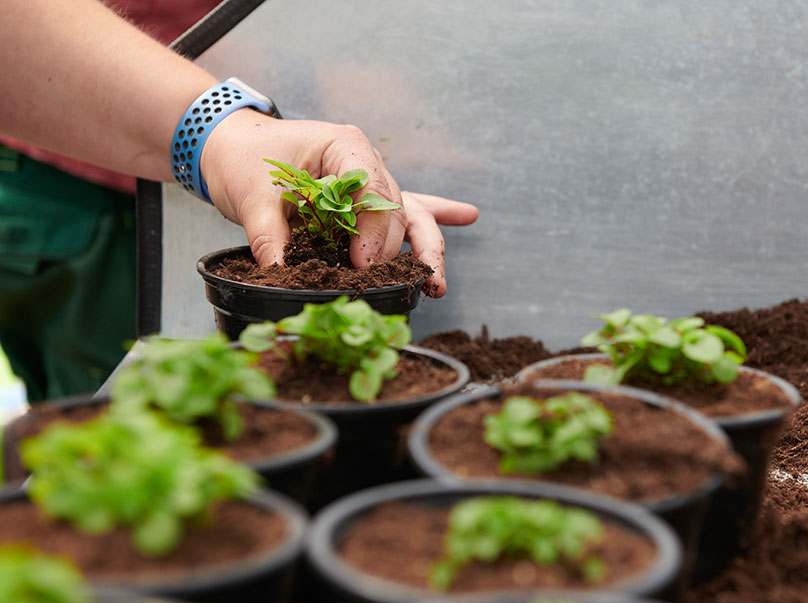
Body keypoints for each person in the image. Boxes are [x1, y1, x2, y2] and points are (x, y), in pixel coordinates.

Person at [0, 0, 478, 401]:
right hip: (84, 179)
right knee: (109, 416)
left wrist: (291, 115)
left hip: (235, 133)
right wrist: (215, 127)